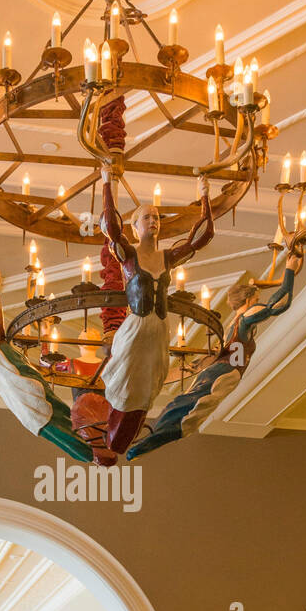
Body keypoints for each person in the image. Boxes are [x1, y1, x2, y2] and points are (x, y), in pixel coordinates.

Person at [127, 253, 304, 460]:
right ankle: (146, 444)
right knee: (193, 411)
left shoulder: (233, 326)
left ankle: (146, 440)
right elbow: (279, 304)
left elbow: (218, 352)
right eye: (256, 300)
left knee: (184, 404)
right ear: (248, 301)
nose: (259, 304)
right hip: (226, 371)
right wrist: (290, 270)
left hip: (220, 369)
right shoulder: (245, 318)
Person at [0, 219, 93, 464]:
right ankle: (86, 442)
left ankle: (86, 448)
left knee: (33, 404)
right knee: (27, 411)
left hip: (2, 359)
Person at [100, 167, 214, 453]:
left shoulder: (168, 257)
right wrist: (107, 183)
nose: (153, 221)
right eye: (146, 217)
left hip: (159, 329)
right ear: (135, 226)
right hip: (136, 328)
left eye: (156, 217)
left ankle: (127, 434)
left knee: (149, 388)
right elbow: (112, 230)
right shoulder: (129, 255)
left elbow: (203, 236)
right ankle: (115, 434)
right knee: (126, 385)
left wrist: (205, 196)